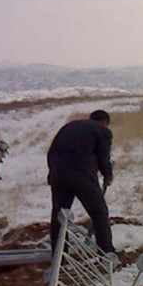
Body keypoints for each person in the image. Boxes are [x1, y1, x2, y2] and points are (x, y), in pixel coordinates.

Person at [47, 109, 115, 255]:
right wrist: (108, 175)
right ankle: (107, 255)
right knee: (100, 213)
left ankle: (59, 259)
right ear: (104, 122)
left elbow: (51, 152)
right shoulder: (102, 131)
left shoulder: (68, 127)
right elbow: (104, 158)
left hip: (58, 175)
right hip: (81, 176)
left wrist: (52, 174)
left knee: (60, 217)